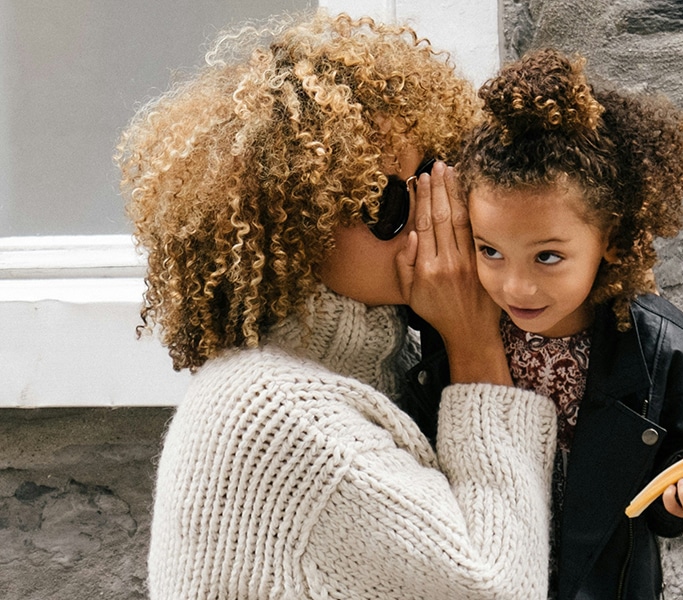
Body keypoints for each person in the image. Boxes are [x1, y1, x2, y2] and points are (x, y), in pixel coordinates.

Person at [117, 12, 557, 600]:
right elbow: (496, 587)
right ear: (296, 226)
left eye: (433, 175)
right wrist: (474, 342)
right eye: (386, 202)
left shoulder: (363, 374)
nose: (434, 216)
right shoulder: (274, 412)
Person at [450, 48, 683, 600]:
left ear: (611, 239)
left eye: (546, 257)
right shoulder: (458, 326)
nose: (515, 287)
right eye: (489, 250)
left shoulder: (666, 349)